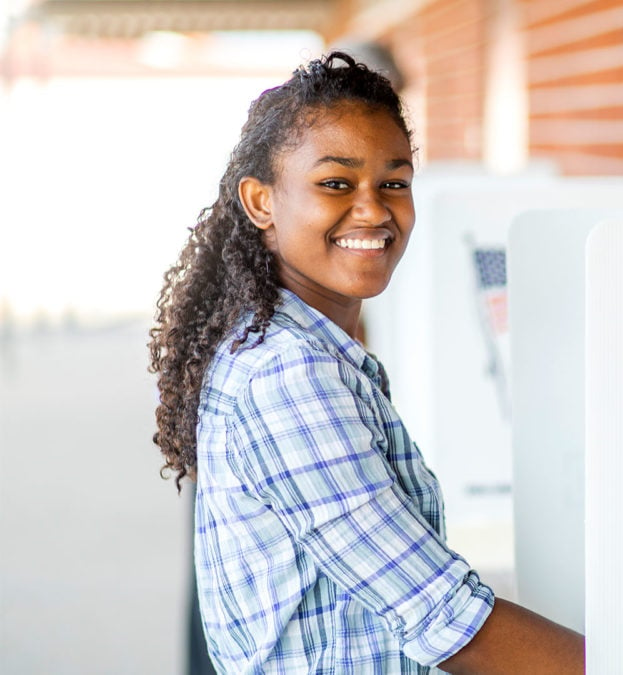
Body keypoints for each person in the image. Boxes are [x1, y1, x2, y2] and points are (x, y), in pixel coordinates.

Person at [148, 51, 584, 674]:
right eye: (336, 183)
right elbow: (444, 616)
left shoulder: (313, 347)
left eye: (395, 182)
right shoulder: (288, 375)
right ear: (261, 201)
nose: (374, 209)